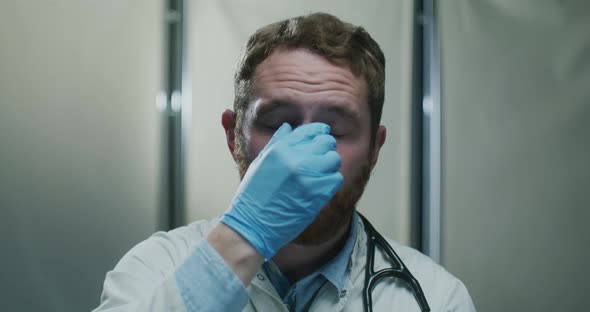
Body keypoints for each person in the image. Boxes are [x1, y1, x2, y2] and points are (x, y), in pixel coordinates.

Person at [93, 12, 476, 312]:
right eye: (278, 124)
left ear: (374, 150)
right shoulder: (156, 268)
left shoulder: (435, 298)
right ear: (232, 136)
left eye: (336, 129)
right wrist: (245, 233)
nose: (301, 152)